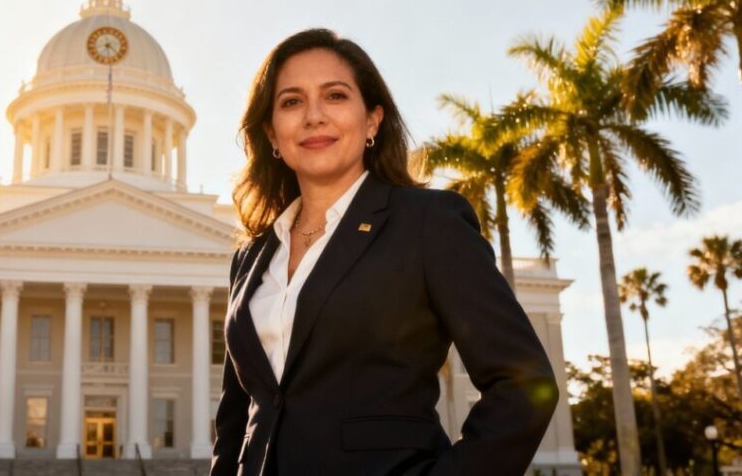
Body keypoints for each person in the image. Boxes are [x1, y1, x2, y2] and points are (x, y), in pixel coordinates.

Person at [211, 28, 559, 476]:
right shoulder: (252, 256)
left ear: (372, 120)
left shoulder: (427, 224)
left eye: (335, 96)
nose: (313, 116)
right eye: (291, 101)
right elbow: (236, 414)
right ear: (272, 134)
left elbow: (524, 383)